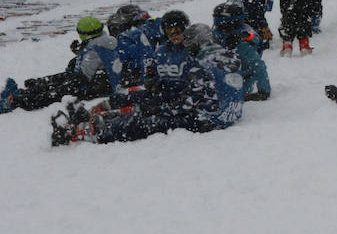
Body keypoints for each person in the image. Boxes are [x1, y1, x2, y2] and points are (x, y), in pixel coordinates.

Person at [51, 23, 245, 145]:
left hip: (208, 119)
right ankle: (105, 115)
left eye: (189, 44)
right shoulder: (228, 56)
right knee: (154, 102)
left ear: (197, 42)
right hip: (229, 113)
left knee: (150, 122)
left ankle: (91, 130)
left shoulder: (201, 64)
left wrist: (164, 109)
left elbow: (192, 101)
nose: (188, 49)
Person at [3, 16, 122, 113]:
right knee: (64, 78)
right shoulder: (103, 41)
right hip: (102, 81)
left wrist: (66, 83)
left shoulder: (93, 50)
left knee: (59, 91)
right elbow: (92, 61)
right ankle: (38, 85)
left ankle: (22, 100)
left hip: (97, 86)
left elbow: (84, 75)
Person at [212, 2, 271, 101]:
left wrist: (264, 91)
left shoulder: (242, 42)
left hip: (241, 79)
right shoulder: (215, 34)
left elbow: (258, 65)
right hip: (218, 77)